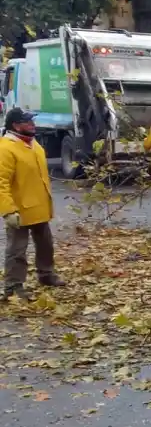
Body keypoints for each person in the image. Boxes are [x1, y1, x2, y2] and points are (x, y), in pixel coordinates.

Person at [0, 108, 65, 298]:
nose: (32, 124)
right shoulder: (6, 148)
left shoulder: (33, 144)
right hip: (19, 210)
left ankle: (46, 275)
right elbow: (1, 182)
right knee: (17, 250)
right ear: (15, 125)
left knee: (45, 245)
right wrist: (8, 211)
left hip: (39, 207)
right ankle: (13, 286)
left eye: (31, 121)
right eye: (27, 122)